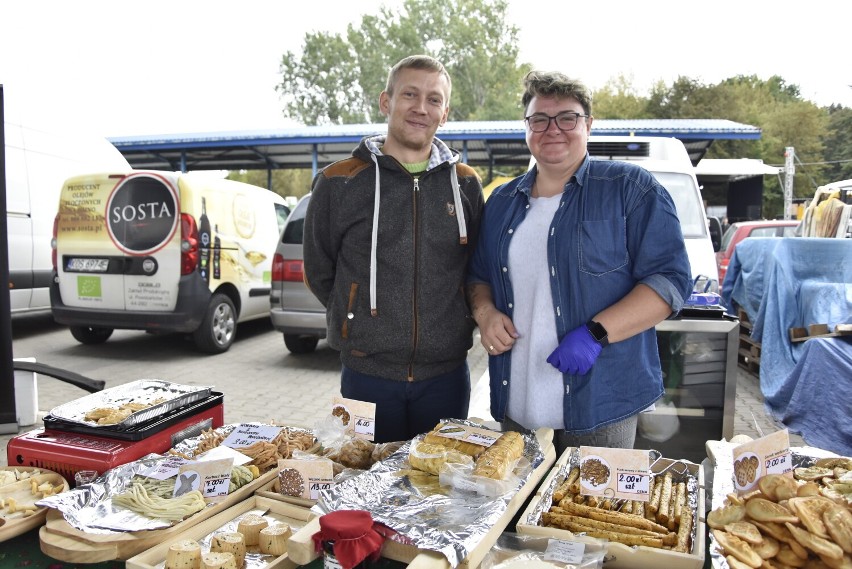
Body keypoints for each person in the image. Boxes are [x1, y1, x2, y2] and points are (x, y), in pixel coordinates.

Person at [466, 71, 692, 456]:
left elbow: (670, 282)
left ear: (588, 124)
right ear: (527, 127)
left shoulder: (631, 189)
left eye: (567, 117)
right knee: (520, 511)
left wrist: (594, 333)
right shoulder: (501, 203)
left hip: (602, 408)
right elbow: (478, 276)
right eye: (540, 119)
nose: (553, 129)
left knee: (592, 514)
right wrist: (485, 313)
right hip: (517, 408)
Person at [303, 55, 484, 444]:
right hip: (366, 375)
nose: (421, 108)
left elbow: (475, 270)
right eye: (410, 95)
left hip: (447, 377)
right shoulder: (338, 182)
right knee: (363, 483)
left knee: (438, 490)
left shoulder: (466, 184)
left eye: (433, 99)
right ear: (386, 102)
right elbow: (319, 271)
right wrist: (358, 320)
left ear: (445, 113)